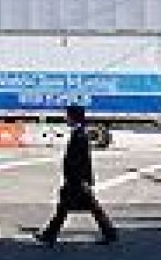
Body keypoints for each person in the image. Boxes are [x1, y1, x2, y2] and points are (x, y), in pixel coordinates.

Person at [38, 103, 118, 245]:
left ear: (74, 118)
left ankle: (49, 235)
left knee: (81, 208)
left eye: (68, 116)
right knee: (68, 208)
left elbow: (83, 160)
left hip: (78, 180)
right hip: (76, 179)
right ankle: (49, 235)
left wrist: (84, 180)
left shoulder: (80, 135)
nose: (66, 119)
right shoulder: (78, 133)